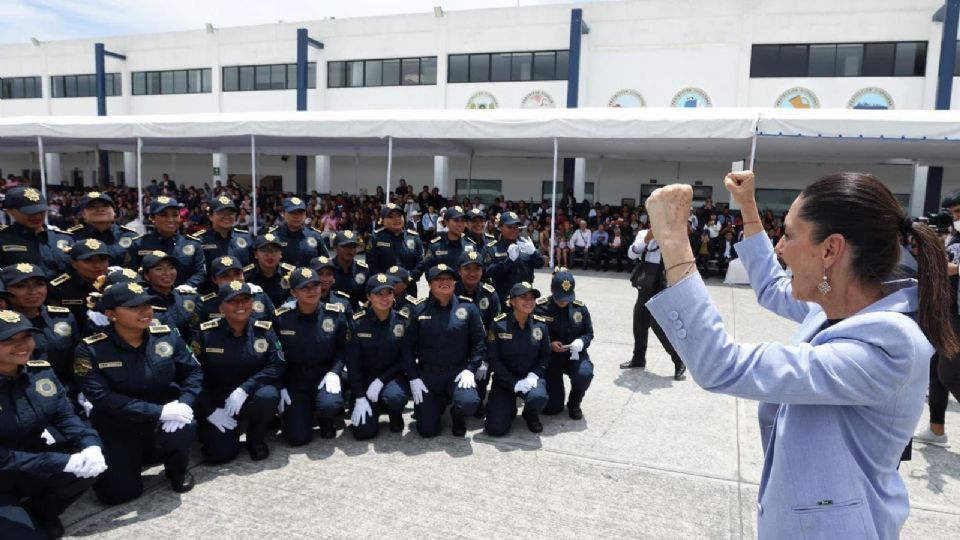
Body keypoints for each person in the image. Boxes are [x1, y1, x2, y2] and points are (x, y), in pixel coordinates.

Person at [642, 171, 956, 539]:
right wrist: (748, 208)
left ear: (830, 250)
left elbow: (721, 365)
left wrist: (674, 242)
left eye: (789, 236)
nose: (780, 248)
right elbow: (773, 287)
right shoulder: (837, 308)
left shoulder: (888, 343)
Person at [74, 281, 203, 504]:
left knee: (184, 423)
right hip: (118, 424)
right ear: (111, 314)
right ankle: (131, 460)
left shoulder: (167, 336)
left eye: (147, 304)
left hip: (163, 418)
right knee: (119, 495)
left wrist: (185, 403)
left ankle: (177, 468)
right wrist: (158, 411)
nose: (145, 311)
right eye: (134, 307)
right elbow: (101, 398)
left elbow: (193, 373)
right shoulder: (90, 349)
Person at [0, 310, 105, 540]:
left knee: (89, 466)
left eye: (26, 337)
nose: (22, 345)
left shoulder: (40, 372)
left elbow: (65, 417)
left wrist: (90, 445)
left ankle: (40, 512)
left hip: (32, 464)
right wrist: (61, 462)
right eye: (8, 340)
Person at [194, 281, 284, 463]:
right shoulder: (206, 334)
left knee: (268, 395)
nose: (240, 306)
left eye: (245, 300)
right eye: (232, 301)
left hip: (251, 392)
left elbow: (277, 365)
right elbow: (194, 375)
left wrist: (245, 388)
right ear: (221, 307)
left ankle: (255, 440)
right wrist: (210, 410)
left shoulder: (264, 330)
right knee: (219, 455)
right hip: (219, 397)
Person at [403, 264, 484, 437]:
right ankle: (438, 403)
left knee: (469, 402)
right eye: (439, 279)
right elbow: (407, 348)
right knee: (427, 430)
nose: (444, 282)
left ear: (455, 282)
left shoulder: (468, 308)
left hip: (457, 372)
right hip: (428, 375)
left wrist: (471, 370)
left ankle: (458, 414)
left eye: (448, 279)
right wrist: (413, 378)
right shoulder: (418, 309)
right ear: (430, 283)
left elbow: (479, 343)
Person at [274, 267, 351, 445]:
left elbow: (343, 349)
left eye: (315, 286)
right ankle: (299, 415)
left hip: (323, 375)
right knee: (297, 439)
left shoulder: (334, 314)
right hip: (295, 380)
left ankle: (326, 420)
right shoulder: (282, 318)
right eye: (304, 287)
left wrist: (334, 372)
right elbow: (275, 355)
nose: (312, 291)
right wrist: (281, 384)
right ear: (293, 292)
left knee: (329, 405)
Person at [913, 190, 960, 448]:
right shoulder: (952, 235)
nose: (954, 218)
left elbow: (951, 267)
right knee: (935, 371)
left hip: (957, 314)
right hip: (944, 308)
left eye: (958, 213)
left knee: (949, 373)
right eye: (952, 214)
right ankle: (936, 429)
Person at [345, 274, 411, 439]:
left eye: (388, 293)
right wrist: (359, 396)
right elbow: (353, 364)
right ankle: (370, 404)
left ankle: (394, 413)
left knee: (394, 398)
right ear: (368, 296)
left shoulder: (403, 321)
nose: (384, 298)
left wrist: (382, 379)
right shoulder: (357, 323)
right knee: (363, 433)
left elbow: (406, 358)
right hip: (365, 379)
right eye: (378, 294)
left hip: (392, 377)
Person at [1, 264, 79, 396]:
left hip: (67, 392)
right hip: (16, 396)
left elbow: (76, 359)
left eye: (39, 284)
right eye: (21, 286)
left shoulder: (63, 317)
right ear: (6, 291)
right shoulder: (2, 325)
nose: (33, 291)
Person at [484, 282, 550, 435]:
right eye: (523, 297)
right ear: (512, 301)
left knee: (539, 397)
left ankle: (530, 414)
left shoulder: (540, 325)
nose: (529, 301)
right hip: (505, 380)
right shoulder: (499, 325)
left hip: (530, 378)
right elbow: (493, 359)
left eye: (532, 297)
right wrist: (513, 383)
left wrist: (534, 375)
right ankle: (508, 407)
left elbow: (545, 355)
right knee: (495, 430)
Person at [621, 228, 686, 380]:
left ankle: (678, 360)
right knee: (639, 322)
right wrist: (646, 240)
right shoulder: (644, 233)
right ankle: (638, 359)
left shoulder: (673, 233)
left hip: (662, 284)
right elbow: (631, 254)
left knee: (657, 325)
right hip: (645, 283)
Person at [535, 270, 594, 419]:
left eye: (567, 298)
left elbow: (588, 333)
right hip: (550, 359)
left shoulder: (580, 308)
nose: (563, 301)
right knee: (552, 408)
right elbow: (533, 336)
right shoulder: (540, 308)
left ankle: (574, 402)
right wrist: (549, 344)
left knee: (584, 374)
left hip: (574, 356)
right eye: (560, 297)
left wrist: (581, 342)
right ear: (552, 289)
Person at [454, 250, 501, 418]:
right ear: (459, 270)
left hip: (481, 349)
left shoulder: (490, 294)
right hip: (455, 347)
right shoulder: (450, 291)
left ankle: (479, 398)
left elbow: (495, 330)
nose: (472, 273)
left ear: (482, 271)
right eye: (467, 269)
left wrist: (486, 359)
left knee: (481, 373)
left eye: (477, 269)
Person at [126, 196, 206, 288]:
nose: (170, 219)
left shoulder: (192, 244)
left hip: (183, 297)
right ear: (152, 218)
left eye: (175, 215)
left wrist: (187, 287)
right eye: (163, 215)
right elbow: (130, 274)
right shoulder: (139, 244)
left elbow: (200, 273)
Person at [0, 187, 73, 279]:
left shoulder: (64, 239)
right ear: (10, 211)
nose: (37, 216)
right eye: (29, 212)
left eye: (41, 211)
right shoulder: (3, 239)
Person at [188, 195, 254, 285]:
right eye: (221, 213)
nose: (226, 216)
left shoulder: (246, 238)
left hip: (242, 294)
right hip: (210, 294)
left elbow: (253, 266)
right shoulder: (198, 240)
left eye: (230, 213)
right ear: (210, 216)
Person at [485, 212, 544, 310]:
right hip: (503, 299)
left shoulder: (525, 245)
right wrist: (509, 262)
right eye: (509, 227)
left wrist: (534, 253)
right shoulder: (493, 248)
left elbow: (540, 264)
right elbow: (489, 273)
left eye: (516, 227)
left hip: (525, 299)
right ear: (500, 227)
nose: (513, 230)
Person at [47, 239, 110, 327]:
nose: (97, 265)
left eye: (102, 260)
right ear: (74, 264)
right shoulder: (60, 288)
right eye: (89, 260)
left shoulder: (117, 283)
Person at [65, 191, 139, 266]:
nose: (100, 209)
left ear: (114, 212)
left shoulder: (130, 236)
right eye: (92, 206)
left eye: (105, 206)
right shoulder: (71, 237)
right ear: (83, 214)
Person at [139, 251, 201, 340]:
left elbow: (197, 330)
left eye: (171, 268)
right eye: (159, 269)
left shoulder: (189, 297)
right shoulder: (140, 301)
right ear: (147, 275)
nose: (167, 273)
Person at [365, 203, 424, 297]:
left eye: (399, 216)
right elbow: (371, 264)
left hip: (408, 287)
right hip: (383, 289)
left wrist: (408, 279)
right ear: (383, 221)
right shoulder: (376, 238)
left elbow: (420, 262)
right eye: (391, 216)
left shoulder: (414, 237)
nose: (396, 219)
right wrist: (384, 281)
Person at [197, 255, 275, 324]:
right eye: (225, 276)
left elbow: (274, 325)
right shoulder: (205, 305)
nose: (233, 280)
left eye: (237, 274)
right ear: (214, 279)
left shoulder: (259, 296)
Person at [414, 206, 477, 283]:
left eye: (463, 221)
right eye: (456, 220)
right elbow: (428, 270)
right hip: (442, 289)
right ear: (446, 222)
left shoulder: (470, 245)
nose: (460, 224)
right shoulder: (435, 245)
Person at [270, 197, 329, 266]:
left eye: (300, 213)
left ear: (305, 215)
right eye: (292, 213)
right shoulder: (274, 236)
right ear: (283, 214)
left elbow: (325, 261)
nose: (296, 216)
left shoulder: (315, 236)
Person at [245, 234, 295, 308]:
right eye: (264, 250)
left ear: (281, 254)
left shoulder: (291, 274)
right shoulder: (247, 275)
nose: (270, 254)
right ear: (256, 254)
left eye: (275, 250)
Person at [330, 231, 370, 310]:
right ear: (335, 248)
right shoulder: (327, 269)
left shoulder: (362, 270)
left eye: (353, 247)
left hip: (354, 315)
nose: (350, 250)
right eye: (345, 247)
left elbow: (368, 298)